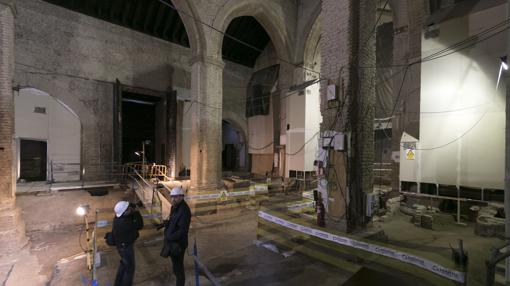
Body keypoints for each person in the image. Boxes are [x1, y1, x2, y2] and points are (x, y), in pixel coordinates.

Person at [163, 187, 191, 286]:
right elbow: (173, 220)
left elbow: (182, 231)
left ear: (181, 197)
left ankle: (180, 283)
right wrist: (166, 223)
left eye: (175, 197)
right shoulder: (174, 207)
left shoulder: (185, 210)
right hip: (172, 242)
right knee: (175, 265)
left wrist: (169, 237)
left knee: (179, 268)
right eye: (172, 197)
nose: (173, 199)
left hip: (179, 244)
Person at [112, 201, 144, 286]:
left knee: (123, 264)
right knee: (129, 270)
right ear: (125, 212)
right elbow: (140, 225)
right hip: (126, 248)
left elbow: (128, 214)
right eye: (128, 209)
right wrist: (136, 212)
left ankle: (117, 283)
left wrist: (132, 208)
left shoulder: (117, 218)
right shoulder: (126, 223)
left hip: (120, 247)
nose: (130, 209)